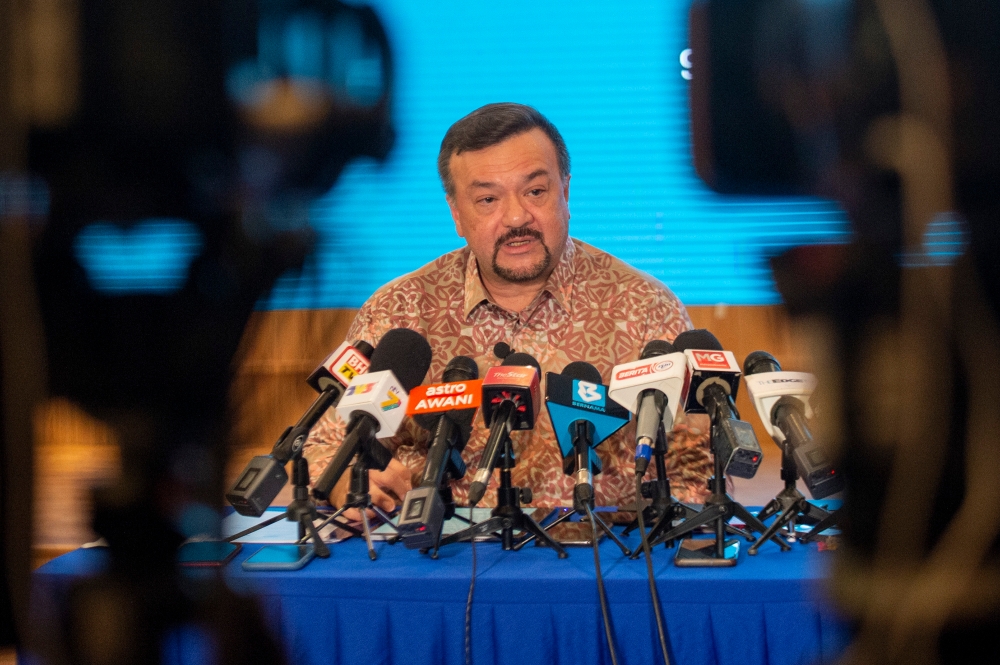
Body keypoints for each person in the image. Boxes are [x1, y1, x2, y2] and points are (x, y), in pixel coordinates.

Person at [304, 102, 711, 518]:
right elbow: (325, 446)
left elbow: (698, 469)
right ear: (456, 214)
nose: (516, 217)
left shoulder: (644, 307)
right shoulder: (399, 310)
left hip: (601, 547)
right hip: (441, 548)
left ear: (565, 193)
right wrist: (344, 480)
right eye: (487, 199)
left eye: (535, 192)